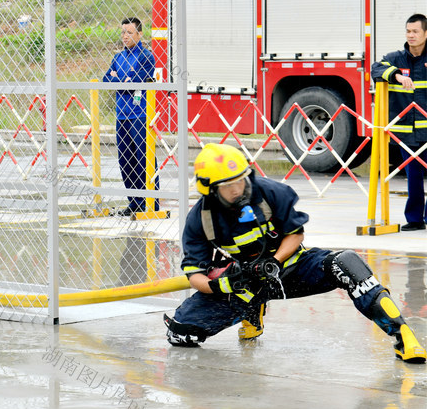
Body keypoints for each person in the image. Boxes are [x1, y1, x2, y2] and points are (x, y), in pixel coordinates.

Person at [163, 143, 426, 363]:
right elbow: (194, 276)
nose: (238, 189)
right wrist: (223, 285)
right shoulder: (200, 219)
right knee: (181, 335)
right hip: (242, 283)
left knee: (346, 263)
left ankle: (402, 334)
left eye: (240, 180)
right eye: (228, 185)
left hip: (289, 267)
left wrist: (274, 261)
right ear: (209, 189)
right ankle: (252, 310)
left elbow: (296, 234)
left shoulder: (270, 192)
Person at [371, 13, 427, 232]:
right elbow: (375, 69)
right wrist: (396, 75)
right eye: (408, 31)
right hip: (406, 132)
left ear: (425, 34)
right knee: (413, 175)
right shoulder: (395, 58)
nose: (410, 35)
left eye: (415, 31)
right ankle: (414, 219)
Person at [103, 16, 155, 216]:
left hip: (140, 115)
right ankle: (134, 203)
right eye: (123, 32)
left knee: (143, 159)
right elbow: (107, 79)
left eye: (130, 32)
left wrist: (122, 81)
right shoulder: (117, 58)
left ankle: (150, 203)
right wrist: (120, 80)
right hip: (122, 115)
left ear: (140, 34)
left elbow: (136, 82)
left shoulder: (145, 56)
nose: (125, 36)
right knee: (125, 160)